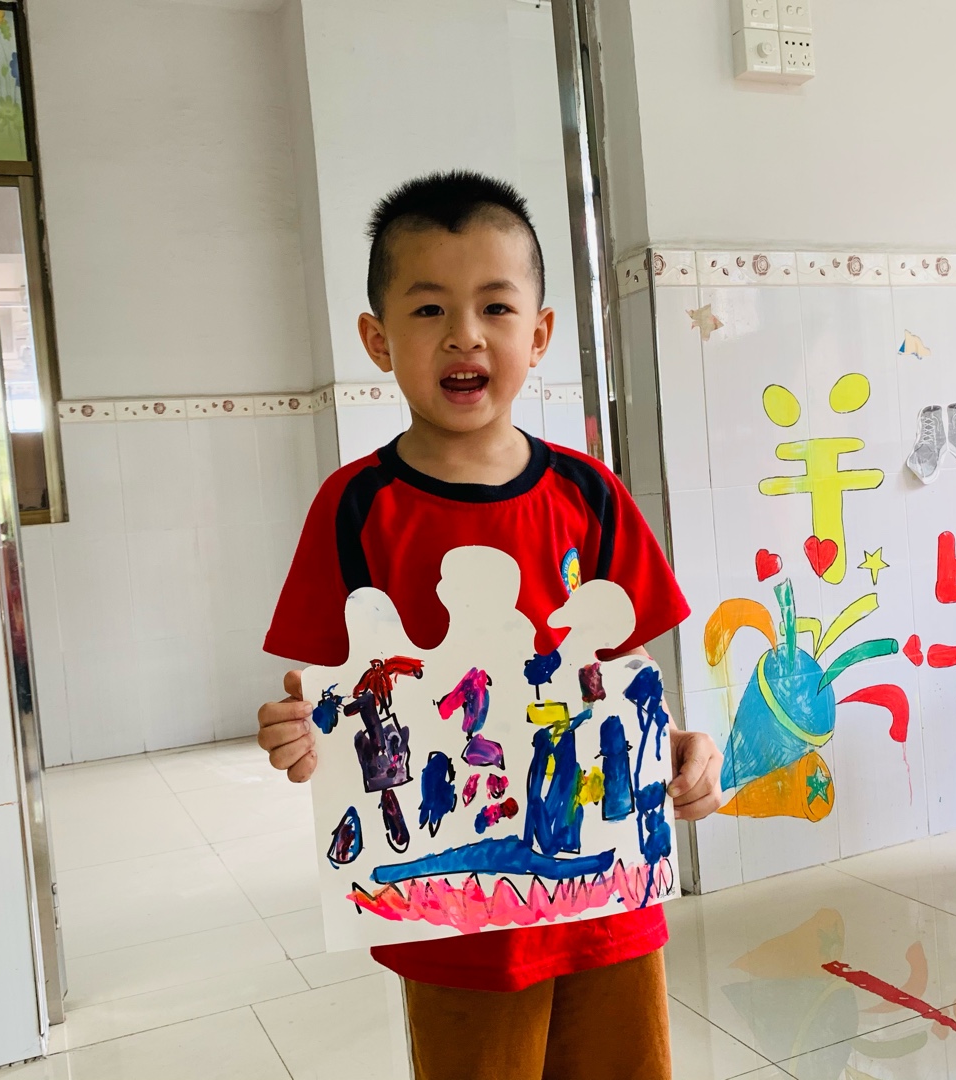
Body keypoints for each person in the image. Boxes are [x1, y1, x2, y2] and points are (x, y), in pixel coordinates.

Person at [257, 171, 722, 1080]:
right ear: (378, 340)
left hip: (609, 889)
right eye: (429, 308)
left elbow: (628, 670)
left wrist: (677, 746)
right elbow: (325, 703)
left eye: (496, 307)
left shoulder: (589, 493)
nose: (465, 334)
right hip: (456, 917)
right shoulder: (354, 509)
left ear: (538, 334)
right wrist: (299, 738)